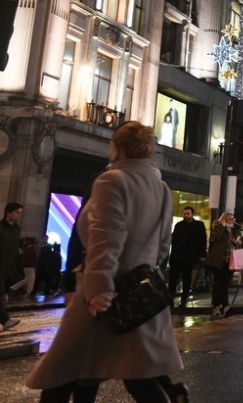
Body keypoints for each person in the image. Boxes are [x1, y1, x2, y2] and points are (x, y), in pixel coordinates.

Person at [25, 121, 186, 402]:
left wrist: (99, 287)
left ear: (118, 147)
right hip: (140, 293)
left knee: (63, 373)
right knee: (138, 375)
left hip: (105, 292)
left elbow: (106, 237)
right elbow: (163, 244)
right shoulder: (160, 186)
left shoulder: (112, 180)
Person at [168, 206, 207, 309]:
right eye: (184, 214)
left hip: (189, 257)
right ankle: (170, 299)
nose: (185, 215)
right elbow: (174, 238)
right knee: (173, 279)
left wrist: (202, 255)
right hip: (177, 256)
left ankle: (183, 300)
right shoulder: (179, 225)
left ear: (192, 214)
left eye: (187, 214)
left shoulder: (199, 225)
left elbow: (202, 240)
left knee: (186, 279)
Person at [205, 212, 241, 318]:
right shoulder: (218, 227)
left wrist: (238, 241)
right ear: (224, 219)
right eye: (230, 219)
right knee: (219, 284)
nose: (233, 221)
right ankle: (223, 305)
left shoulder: (234, 230)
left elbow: (239, 241)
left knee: (223, 284)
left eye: (233, 219)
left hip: (229, 261)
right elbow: (215, 238)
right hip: (219, 260)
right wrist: (223, 227)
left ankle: (219, 305)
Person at [0, 202, 23, 331]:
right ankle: (5, 319)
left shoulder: (16, 229)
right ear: (8, 212)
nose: (18, 216)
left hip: (8, 268)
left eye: (19, 213)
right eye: (16, 213)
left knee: (2, 294)